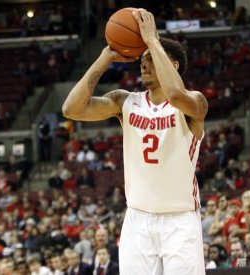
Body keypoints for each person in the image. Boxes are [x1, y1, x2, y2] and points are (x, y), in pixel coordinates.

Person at [62, 8, 207, 275]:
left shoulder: (194, 102)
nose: (143, 63)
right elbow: (71, 109)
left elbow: (174, 93)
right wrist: (104, 59)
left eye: (150, 59)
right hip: (137, 219)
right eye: (141, 59)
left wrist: (152, 39)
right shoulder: (125, 101)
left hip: (179, 220)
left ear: (172, 65)